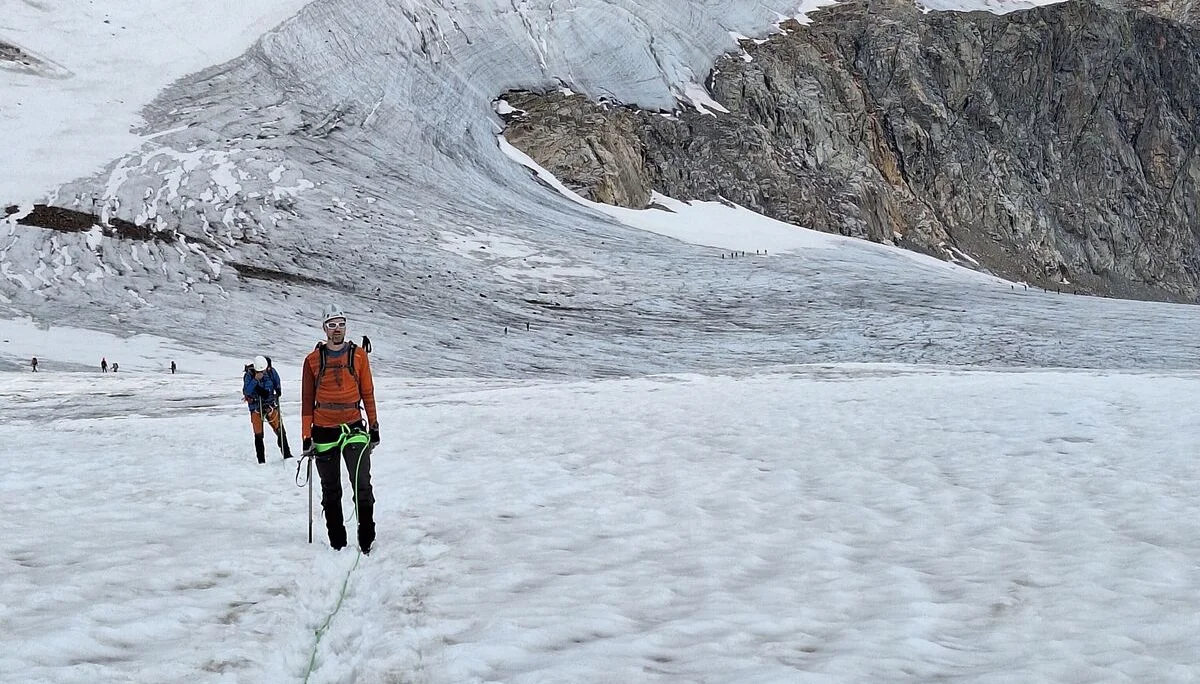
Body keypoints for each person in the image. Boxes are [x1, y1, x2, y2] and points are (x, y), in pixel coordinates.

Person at [301, 305, 379, 554]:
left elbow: (367, 392)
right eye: (332, 325)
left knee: (362, 484)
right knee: (330, 488)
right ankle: (338, 543)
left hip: (354, 426)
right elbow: (307, 400)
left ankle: (366, 539)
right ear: (324, 328)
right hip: (323, 429)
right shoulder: (312, 361)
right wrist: (306, 435)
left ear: (346, 326)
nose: (337, 329)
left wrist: (374, 426)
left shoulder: (358, 356)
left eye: (341, 324)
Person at [243, 355, 293, 463]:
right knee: (258, 434)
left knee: (280, 429)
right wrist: (255, 380)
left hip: (270, 404)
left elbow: (276, 381)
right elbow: (246, 391)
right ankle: (261, 460)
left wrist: (278, 389)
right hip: (256, 406)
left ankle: (287, 455)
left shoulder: (271, 371)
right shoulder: (249, 375)